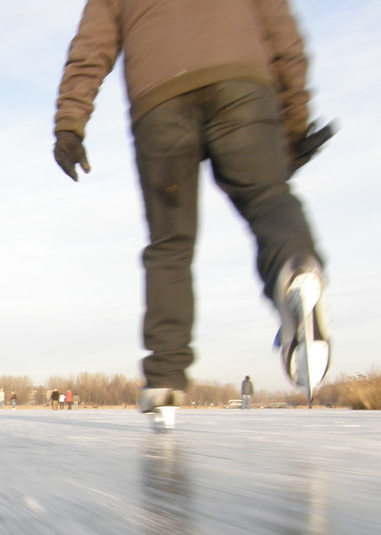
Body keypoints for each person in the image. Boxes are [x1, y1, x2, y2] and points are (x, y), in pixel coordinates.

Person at [53, 0, 332, 415]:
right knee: (267, 196)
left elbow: (91, 46)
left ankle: (165, 379)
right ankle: (294, 266)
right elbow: (283, 34)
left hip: (160, 103)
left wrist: (70, 123)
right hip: (242, 87)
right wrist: (294, 122)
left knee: (170, 243)